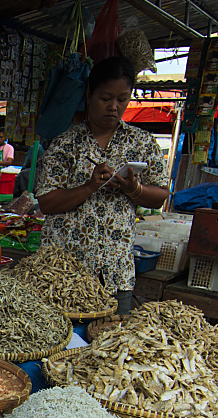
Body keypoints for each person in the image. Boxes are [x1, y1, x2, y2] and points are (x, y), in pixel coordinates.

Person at [35, 55, 169, 315]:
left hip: (114, 271)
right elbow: (47, 202)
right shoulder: (65, 144)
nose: (113, 107)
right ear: (89, 95)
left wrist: (134, 189)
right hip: (62, 273)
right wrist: (88, 187)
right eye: (105, 98)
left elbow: (160, 195)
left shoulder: (142, 142)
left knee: (111, 335)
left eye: (122, 99)